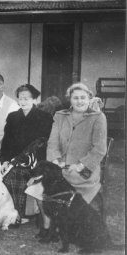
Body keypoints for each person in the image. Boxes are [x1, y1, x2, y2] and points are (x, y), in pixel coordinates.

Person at [26, 83, 107, 239]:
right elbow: (53, 143)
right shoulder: (60, 115)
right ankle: (49, 227)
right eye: (75, 98)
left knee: (56, 189)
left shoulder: (98, 117)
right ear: (70, 99)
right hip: (61, 168)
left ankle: (59, 226)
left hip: (84, 170)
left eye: (83, 97)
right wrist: (55, 162)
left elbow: (99, 149)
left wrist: (80, 165)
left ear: (89, 98)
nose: (79, 101)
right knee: (36, 189)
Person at [0, 84, 53, 223]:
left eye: (27, 99)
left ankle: (22, 214)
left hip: (37, 160)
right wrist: (5, 160)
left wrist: (36, 165)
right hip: (16, 159)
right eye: (20, 98)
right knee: (10, 175)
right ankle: (15, 213)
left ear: (35, 99)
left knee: (19, 174)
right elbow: (6, 142)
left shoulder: (45, 117)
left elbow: (44, 144)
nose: (22, 102)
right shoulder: (12, 117)